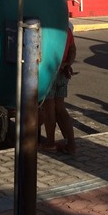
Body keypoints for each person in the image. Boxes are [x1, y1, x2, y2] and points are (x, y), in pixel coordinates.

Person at [40, 23, 77, 155]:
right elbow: (73, 49)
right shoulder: (67, 29)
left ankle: (50, 142)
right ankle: (71, 144)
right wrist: (68, 64)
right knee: (61, 108)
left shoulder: (48, 27)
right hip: (63, 72)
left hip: (49, 72)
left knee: (48, 108)